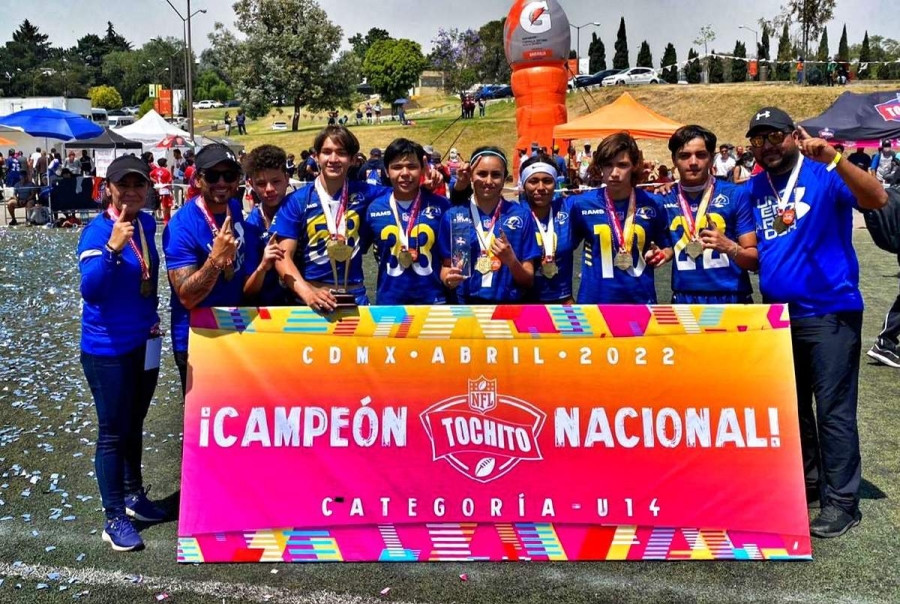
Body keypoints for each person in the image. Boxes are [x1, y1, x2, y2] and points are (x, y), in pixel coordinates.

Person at [744, 106, 888, 538]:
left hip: (829, 311)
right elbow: (760, 252)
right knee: (794, 410)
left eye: (775, 137)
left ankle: (842, 501)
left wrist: (835, 158)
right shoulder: (754, 189)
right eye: (758, 139)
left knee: (833, 411)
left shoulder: (826, 173)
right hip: (779, 314)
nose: (767, 146)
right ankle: (809, 483)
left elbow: (877, 198)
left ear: (794, 135)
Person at [77, 155, 167, 551]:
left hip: (143, 342)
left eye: (139, 185)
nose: (132, 191)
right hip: (107, 349)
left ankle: (133, 497)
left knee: (135, 421)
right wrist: (113, 250)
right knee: (112, 432)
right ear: (108, 189)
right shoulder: (96, 233)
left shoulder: (146, 223)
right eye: (123, 185)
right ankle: (113, 516)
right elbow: (92, 291)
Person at [163, 144, 269, 397]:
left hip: (234, 328)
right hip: (197, 337)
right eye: (212, 176)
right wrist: (215, 261)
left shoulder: (233, 207)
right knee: (203, 425)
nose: (222, 182)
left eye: (229, 176)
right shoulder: (181, 227)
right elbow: (186, 296)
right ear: (198, 179)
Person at [271, 125, 390, 311]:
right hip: (311, 300)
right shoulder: (297, 201)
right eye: (327, 152)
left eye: (341, 153)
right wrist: (308, 293)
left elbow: (406, 194)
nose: (333, 159)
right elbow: (282, 257)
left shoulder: (367, 193)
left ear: (352, 159)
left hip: (355, 298)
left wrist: (433, 182)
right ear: (316, 156)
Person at [658, 125, 758, 304]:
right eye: (684, 155)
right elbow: (665, 247)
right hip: (684, 299)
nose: (693, 162)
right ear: (674, 160)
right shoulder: (662, 198)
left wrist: (729, 247)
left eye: (701, 154)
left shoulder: (736, 195)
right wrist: (661, 253)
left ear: (712, 159)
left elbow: (754, 261)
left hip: (732, 298)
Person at [571, 132, 672, 304]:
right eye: (608, 165)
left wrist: (663, 254)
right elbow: (564, 250)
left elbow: (669, 246)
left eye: (622, 165)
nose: (615, 173)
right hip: (595, 303)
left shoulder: (654, 203)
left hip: (640, 301)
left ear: (634, 166)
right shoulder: (581, 204)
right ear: (600, 167)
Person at [440, 146, 541, 303]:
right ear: (471, 176)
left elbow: (528, 280)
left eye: (495, 175)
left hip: (507, 308)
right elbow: (446, 268)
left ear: (504, 178)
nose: (488, 181)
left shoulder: (521, 215)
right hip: (465, 306)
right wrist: (448, 278)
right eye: (481, 174)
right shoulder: (454, 215)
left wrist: (512, 261)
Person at [363, 138, 451, 304]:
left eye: (412, 166)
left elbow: (450, 258)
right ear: (387, 171)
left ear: (422, 169)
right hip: (390, 303)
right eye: (397, 167)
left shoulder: (441, 206)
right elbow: (357, 251)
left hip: (434, 302)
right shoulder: (374, 208)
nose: (405, 173)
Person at [519, 154, 576, 304]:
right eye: (533, 181)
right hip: (526, 303)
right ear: (524, 184)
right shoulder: (514, 214)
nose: (541, 188)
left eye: (547, 181)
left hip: (563, 301)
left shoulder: (568, 208)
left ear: (555, 183)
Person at [244, 144, 293, 306]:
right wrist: (263, 267)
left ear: (287, 179)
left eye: (276, 181)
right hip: (267, 314)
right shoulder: (249, 228)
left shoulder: (304, 214)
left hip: (305, 308)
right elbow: (247, 292)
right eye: (261, 183)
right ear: (250, 184)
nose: (270, 189)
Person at [150, 158, 174, 225]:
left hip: (158, 189)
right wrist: (171, 191)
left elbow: (149, 175)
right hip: (165, 190)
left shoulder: (156, 170)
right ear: (164, 163)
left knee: (158, 204)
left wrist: (155, 181)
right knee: (166, 206)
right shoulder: (166, 171)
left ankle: (158, 217)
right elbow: (170, 182)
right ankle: (166, 220)